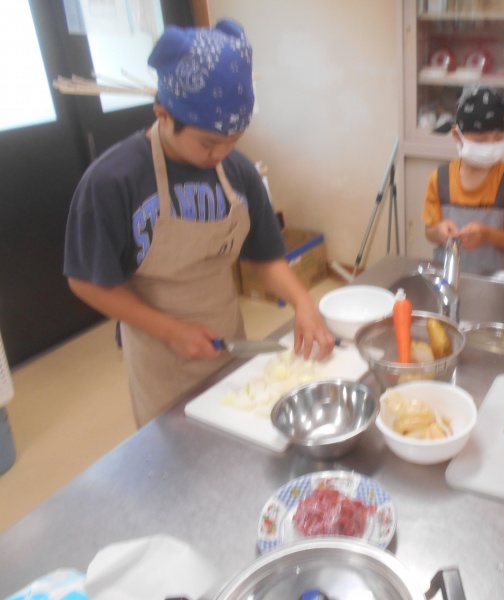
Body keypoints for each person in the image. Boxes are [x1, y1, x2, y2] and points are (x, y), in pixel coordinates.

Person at [63, 20, 334, 428]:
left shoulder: (237, 172)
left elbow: (265, 257)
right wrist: (170, 329)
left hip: (227, 337)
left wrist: (303, 303)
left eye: (234, 140)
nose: (221, 154)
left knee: (236, 427)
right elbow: (86, 281)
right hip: (158, 352)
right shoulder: (112, 181)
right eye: (209, 143)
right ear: (163, 115)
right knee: (176, 448)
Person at [421, 86, 504, 275]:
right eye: (480, 140)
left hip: (499, 284)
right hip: (452, 279)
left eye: (498, 138)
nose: (491, 146)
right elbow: (429, 231)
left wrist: (488, 235)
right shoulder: (440, 179)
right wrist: (439, 232)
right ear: (457, 136)